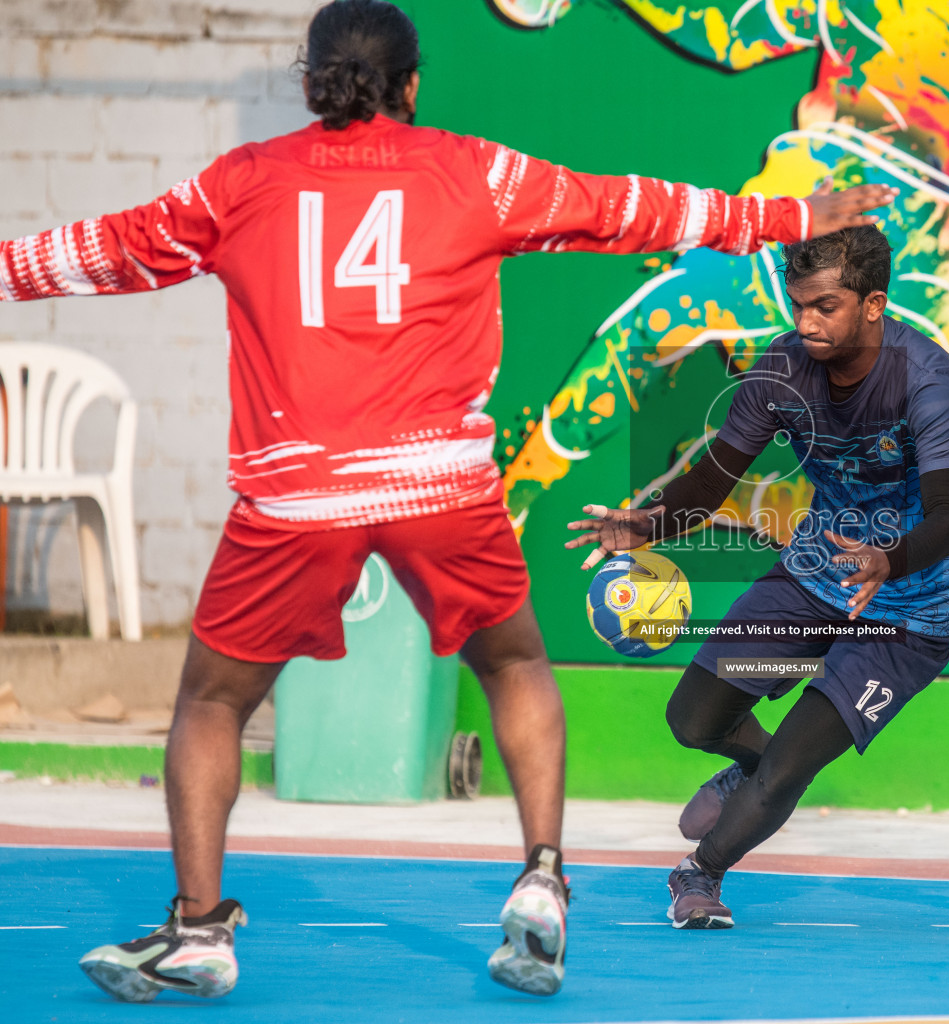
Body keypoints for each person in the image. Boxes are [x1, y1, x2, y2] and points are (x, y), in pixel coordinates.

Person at [0, 0, 894, 1001]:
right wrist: (781, 217)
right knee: (515, 664)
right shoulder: (475, 172)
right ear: (412, 85)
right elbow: (625, 207)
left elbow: (105, 248)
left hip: (298, 491)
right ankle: (546, 878)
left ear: (309, 83)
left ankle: (201, 927)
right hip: (440, 484)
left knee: (212, 700)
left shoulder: (241, 183)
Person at [566, 226, 949, 928]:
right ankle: (751, 773)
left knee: (792, 764)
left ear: (874, 303)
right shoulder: (783, 369)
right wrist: (650, 523)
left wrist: (890, 561)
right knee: (695, 717)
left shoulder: (930, 380)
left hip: (911, 610)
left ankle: (699, 874)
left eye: (825, 306)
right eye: (799, 306)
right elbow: (713, 480)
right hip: (814, 580)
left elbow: (948, 516)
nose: (807, 323)